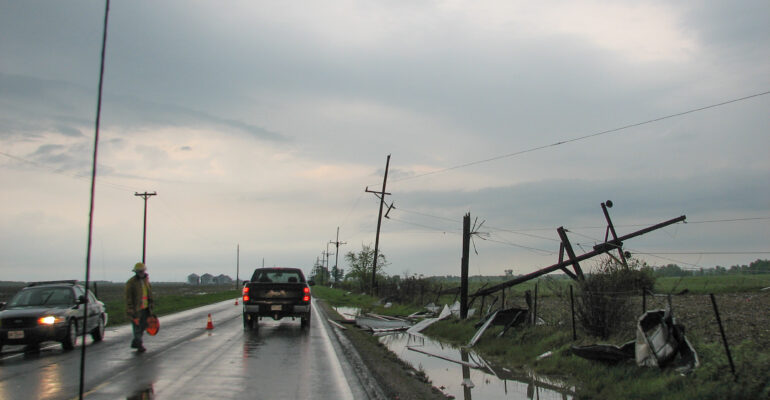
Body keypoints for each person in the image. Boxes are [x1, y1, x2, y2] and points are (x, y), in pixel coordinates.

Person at [125, 262, 153, 352]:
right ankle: (139, 344)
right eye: (139, 271)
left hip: (145, 308)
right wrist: (130, 309)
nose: (141, 273)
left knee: (143, 326)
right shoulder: (131, 283)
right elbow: (128, 298)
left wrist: (151, 303)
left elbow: (149, 293)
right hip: (136, 310)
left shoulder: (146, 281)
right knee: (137, 327)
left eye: (142, 271)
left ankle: (136, 342)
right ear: (136, 272)